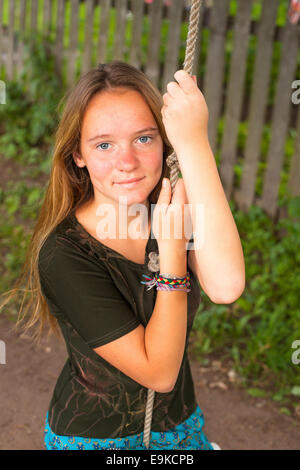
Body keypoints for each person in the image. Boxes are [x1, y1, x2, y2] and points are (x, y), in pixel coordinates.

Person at [2, 61, 244, 450]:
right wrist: (171, 252)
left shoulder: (166, 210)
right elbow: (159, 373)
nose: (127, 162)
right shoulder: (63, 254)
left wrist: (195, 143)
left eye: (144, 139)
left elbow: (226, 284)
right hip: (96, 439)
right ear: (77, 155)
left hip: (181, 428)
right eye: (103, 145)